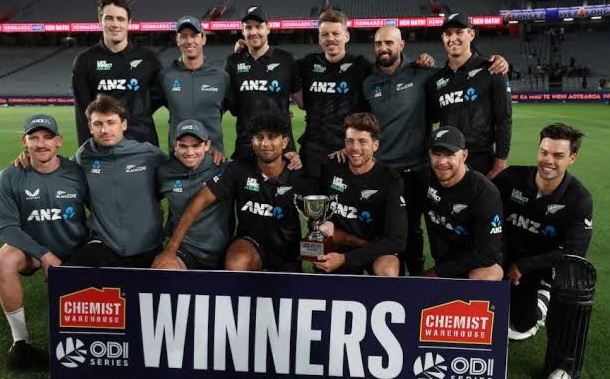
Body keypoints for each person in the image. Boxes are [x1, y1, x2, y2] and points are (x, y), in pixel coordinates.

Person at [156, 111, 313, 272]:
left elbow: (318, 222)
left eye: (272, 137)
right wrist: (171, 249)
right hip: (250, 243)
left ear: (284, 142)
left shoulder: (299, 175)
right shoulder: (238, 169)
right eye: (259, 137)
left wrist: (315, 253)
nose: (265, 143)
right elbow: (199, 201)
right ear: (252, 142)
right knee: (237, 262)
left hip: (287, 251)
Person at [0, 115, 87, 371]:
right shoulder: (10, 175)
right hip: (34, 251)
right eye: (34, 137)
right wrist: (45, 255)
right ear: (24, 142)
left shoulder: (76, 173)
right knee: (3, 260)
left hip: (72, 248)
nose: (41, 144)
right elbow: (7, 227)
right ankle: (20, 343)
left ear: (59, 141)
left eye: (48, 137)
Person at [493, 123, 593, 342]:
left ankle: (543, 296)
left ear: (572, 158)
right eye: (544, 152)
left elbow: (574, 252)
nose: (548, 161)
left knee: (518, 329)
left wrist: (524, 266)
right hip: (505, 257)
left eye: (558, 155)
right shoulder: (510, 178)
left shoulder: (579, 199)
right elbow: (486, 216)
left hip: (541, 267)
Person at [66, 94, 168, 268]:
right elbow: (55, 169)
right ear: (90, 127)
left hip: (148, 247)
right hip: (104, 246)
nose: (105, 130)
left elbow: (180, 171)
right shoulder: (83, 157)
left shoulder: (149, 155)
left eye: (111, 122)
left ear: (124, 124)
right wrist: (29, 158)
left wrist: (210, 156)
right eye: (98, 124)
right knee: (65, 279)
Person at [316, 113, 407, 276]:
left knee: (387, 269)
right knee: (319, 251)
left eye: (362, 141)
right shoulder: (331, 168)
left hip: (375, 248)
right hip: (341, 245)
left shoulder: (390, 180)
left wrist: (346, 258)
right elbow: (318, 217)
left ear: (375, 145)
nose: (355, 148)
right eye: (350, 141)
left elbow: (397, 240)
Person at [427, 13, 512, 179]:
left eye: (459, 32)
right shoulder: (435, 80)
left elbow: (504, 119)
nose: (453, 38)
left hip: (482, 161)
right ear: (443, 38)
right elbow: (433, 118)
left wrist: (500, 162)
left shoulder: (492, 70)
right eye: (448, 34)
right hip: (448, 160)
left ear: (471, 34)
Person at [72, 0, 163, 146]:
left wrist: (138, 112)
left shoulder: (148, 59)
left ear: (129, 22)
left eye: (120, 19)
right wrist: (86, 151)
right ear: (100, 20)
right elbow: (82, 114)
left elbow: (161, 98)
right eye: (109, 18)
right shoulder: (85, 61)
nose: (115, 24)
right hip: (103, 147)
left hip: (142, 144)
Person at [297, 10, 372, 179]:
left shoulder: (362, 67)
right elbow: (280, 68)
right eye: (325, 34)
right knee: (312, 202)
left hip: (346, 151)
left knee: (344, 204)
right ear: (319, 39)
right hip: (312, 152)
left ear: (346, 36)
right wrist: (244, 50)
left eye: (336, 33)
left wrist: (419, 62)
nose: (330, 38)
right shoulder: (307, 64)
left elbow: (390, 70)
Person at [224, 6, 302, 165]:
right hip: (246, 146)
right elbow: (229, 106)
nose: (253, 32)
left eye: (258, 26)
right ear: (242, 30)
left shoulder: (286, 60)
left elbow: (302, 102)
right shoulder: (232, 62)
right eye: (248, 27)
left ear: (268, 28)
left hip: (281, 148)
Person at [423, 125, 504, 280]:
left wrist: (438, 272)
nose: (442, 161)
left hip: (479, 264)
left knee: (485, 275)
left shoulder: (484, 192)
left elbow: (488, 253)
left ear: (464, 155)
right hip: (444, 262)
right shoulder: (425, 180)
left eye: (450, 154)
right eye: (436, 154)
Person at [153, 120, 232, 270]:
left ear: (207, 145)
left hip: (223, 250)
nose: (190, 153)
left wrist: (290, 156)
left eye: (196, 146)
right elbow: (152, 201)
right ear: (175, 145)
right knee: (165, 270)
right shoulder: (164, 172)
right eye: (183, 146)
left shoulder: (223, 168)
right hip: (185, 250)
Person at [158, 15, 232, 154]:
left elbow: (226, 106)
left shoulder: (221, 77)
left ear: (203, 38)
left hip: (213, 159)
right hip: (179, 158)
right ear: (177, 40)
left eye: (194, 35)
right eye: (184, 36)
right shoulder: (165, 76)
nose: (189, 41)